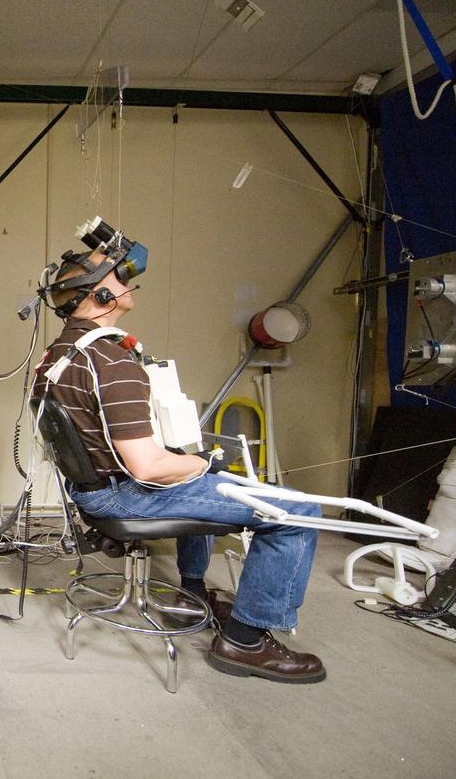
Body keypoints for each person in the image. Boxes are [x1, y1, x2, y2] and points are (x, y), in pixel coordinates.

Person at [32, 245, 326, 684]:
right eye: (118, 276)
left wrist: (193, 466)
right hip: (124, 495)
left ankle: (191, 593)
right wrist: (201, 462)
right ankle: (245, 641)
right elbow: (148, 469)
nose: (128, 280)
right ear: (101, 296)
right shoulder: (112, 362)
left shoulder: (56, 356)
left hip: (90, 490)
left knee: (202, 475)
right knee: (295, 511)